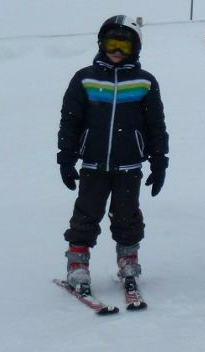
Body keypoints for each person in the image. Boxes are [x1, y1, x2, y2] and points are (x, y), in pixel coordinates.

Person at [58, 15, 169, 293]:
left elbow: (155, 125)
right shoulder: (85, 78)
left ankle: (128, 259)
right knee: (86, 213)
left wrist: (159, 162)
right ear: (101, 44)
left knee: (127, 216)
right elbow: (70, 120)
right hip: (93, 164)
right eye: (112, 44)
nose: (117, 51)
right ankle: (77, 263)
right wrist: (66, 157)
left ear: (135, 49)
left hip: (129, 165)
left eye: (124, 45)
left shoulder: (144, 82)